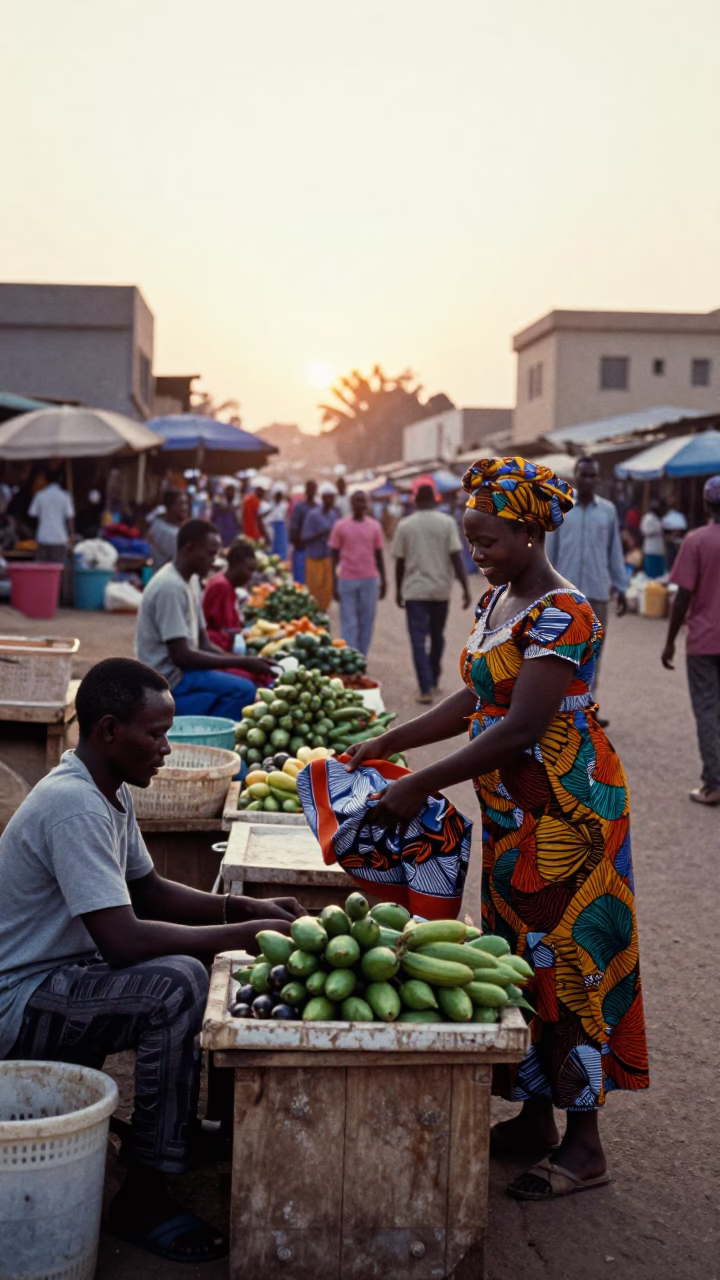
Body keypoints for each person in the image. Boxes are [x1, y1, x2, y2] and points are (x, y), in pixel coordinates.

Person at [349, 456, 648, 1201]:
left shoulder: (565, 610)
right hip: (517, 812)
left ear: (531, 530)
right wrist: (393, 741)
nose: (476, 551)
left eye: (488, 539)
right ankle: (537, 1116)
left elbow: (519, 727)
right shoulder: (500, 599)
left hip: (570, 811)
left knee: (571, 958)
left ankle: (586, 1147)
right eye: (471, 538)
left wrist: (418, 781)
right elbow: (474, 696)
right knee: (524, 954)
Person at [0, 657, 306, 1262]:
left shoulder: (105, 791)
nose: (166, 748)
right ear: (109, 730)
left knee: (182, 972)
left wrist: (243, 907)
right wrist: (242, 936)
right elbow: (123, 940)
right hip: (18, 1004)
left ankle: (172, 1134)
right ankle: (144, 1192)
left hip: (62, 980)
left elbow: (149, 890)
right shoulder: (75, 805)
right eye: (156, 733)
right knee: (175, 984)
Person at [135, 519, 273, 716]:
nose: (213, 561)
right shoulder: (170, 586)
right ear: (190, 548)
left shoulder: (191, 581)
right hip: (168, 680)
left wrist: (246, 661)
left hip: (184, 672)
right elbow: (182, 656)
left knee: (245, 678)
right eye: (210, 554)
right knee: (244, 690)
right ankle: (202, 732)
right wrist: (242, 662)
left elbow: (204, 643)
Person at [546, 457, 627, 723]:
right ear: (576, 477)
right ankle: (562, 708)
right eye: (584, 475)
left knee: (593, 653)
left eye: (593, 476)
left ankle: (586, 708)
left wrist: (622, 587)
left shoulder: (608, 511)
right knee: (563, 651)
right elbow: (550, 553)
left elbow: (614, 550)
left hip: (597, 592)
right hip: (565, 595)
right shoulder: (561, 509)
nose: (589, 480)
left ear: (598, 479)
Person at [662, 474, 720, 805]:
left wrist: (670, 641)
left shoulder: (696, 541)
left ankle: (713, 783)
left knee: (708, 711)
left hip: (703, 641)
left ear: (705, 503)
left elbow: (682, 597)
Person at [393, 483, 470, 704]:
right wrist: (465, 588)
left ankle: (425, 687)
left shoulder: (405, 526)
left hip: (415, 590)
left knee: (418, 640)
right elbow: (457, 557)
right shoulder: (446, 523)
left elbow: (399, 562)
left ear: (416, 501)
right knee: (437, 636)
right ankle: (434, 679)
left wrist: (398, 590)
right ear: (435, 500)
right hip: (440, 590)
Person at [328, 490, 386, 656]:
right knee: (348, 621)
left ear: (367, 505)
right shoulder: (340, 526)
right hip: (347, 579)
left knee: (366, 621)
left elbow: (379, 555)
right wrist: (333, 581)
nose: (360, 504)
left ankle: (361, 656)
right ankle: (350, 657)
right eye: (356, 501)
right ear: (351, 504)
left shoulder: (375, 526)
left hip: (369, 579)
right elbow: (333, 555)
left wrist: (384, 581)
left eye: (362, 501)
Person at [202, 538, 257, 651]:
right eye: (249, 570)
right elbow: (221, 627)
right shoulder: (222, 586)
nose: (251, 576)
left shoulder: (226, 584)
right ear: (235, 564)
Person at [301, 482, 339, 611]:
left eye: (332, 497)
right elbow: (305, 537)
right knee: (314, 590)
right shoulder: (312, 515)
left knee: (327, 589)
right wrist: (320, 533)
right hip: (314, 557)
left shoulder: (334, 515)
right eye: (327, 497)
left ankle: (323, 613)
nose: (330, 500)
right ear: (322, 498)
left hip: (328, 557)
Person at [28, 467, 74, 562]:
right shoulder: (65, 496)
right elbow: (70, 518)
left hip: (43, 537)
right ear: (61, 480)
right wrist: (71, 535)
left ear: (46, 480)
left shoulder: (39, 495)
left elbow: (32, 514)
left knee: (42, 569)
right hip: (59, 538)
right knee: (58, 568)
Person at [148, 489, 190, 569]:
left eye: (186, 503)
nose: (185, 508)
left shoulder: (165, 524)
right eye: (181, 504)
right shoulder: (165, 532)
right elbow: (183, 561)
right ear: (170, 507)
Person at [289, 479, 317, 584]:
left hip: (313, 550)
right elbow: (293, 527)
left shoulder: (317, 507)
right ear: (306, 491)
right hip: (301, 548)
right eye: (309, 489)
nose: (311, 491)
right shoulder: (299, 507)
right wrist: (298, 542)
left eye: (313, 489)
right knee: (300, 582)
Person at [640, 499, 666, 578]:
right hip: (651, 549)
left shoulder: (657, 518)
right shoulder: (648, 518)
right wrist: (657, 530)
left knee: (659, 575)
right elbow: (645, 530)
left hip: (659, 549)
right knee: (651, 575)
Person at [210, 484, 239, 549]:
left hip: (230, 532)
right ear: (226, 492)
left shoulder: (233, 504)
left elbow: (236, 520)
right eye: (231, 492)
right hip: (222, 531)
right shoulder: (219, 502)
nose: (233, 494)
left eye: (234, 492)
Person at [241, 478, 269, 544]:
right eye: (262, 491)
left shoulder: (247, 499)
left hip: (246, 532)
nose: (263, 494)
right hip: (254, 534)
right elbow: (258, 520)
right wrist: (266, 536)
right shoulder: (255, 501)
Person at [661, 502, 688, 571]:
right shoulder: (679, 517)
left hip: (675, 542)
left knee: (674, 561)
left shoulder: (668, 517)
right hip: (674, 542)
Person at [267, 485, 289, 559]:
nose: (278, 497)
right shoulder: (270, 504)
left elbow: (286, 517)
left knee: (282, 545)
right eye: (277, 495)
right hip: (272, 526)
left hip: (281, 526)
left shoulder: (284, 505)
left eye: (280, 495)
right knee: (272, 545)